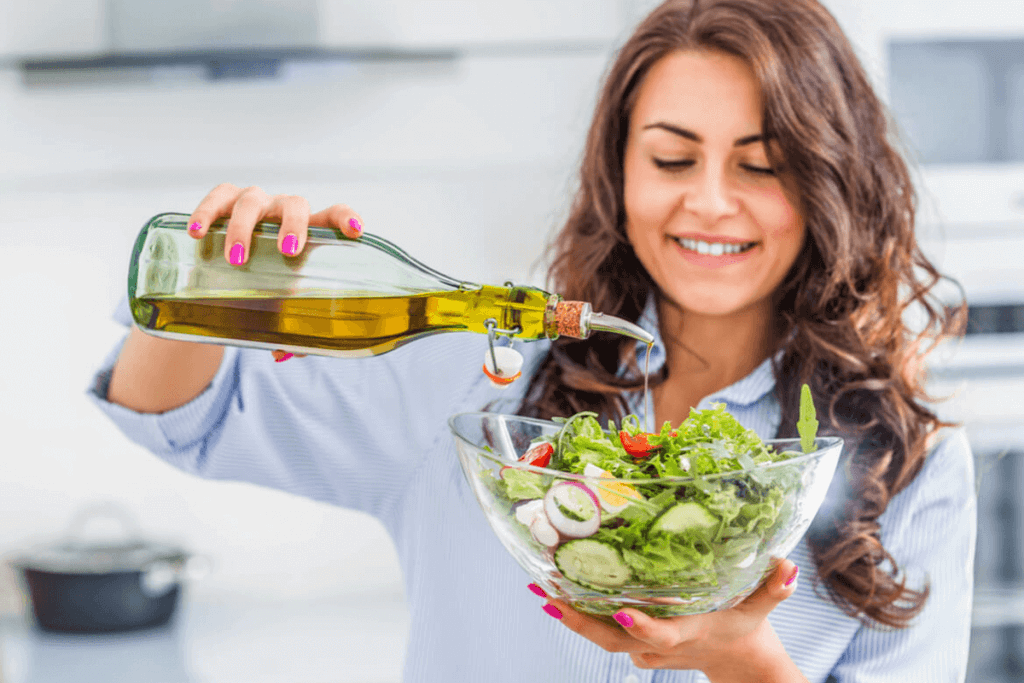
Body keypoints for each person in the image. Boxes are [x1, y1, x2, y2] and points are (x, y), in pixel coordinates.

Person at [88, 0, 976, 681]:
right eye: (672, 159)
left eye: (762, 164)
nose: (709, 200)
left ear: (830, 181)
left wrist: (744, 660)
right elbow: (179, 416)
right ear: (618, 173)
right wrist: (207, 287)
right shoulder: (475, 383)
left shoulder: (914, 466)